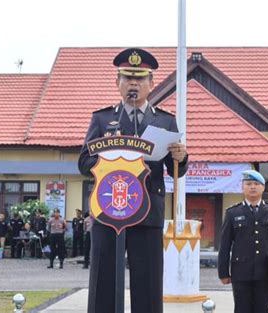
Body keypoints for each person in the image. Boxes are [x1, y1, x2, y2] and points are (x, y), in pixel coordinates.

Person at [78, 48, 188, 313]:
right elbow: (84, 163)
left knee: (148, 281)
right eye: (127, 78)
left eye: (140, 79)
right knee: (103, 279)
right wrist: (110, 158)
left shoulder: (165, 120)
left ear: (151, 84)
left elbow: (177, 170)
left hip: (147, 211)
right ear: (117, 83)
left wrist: (180, 157)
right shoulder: (103, 119)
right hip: (108, 211)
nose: (133, 84)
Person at [218, 170, 268, 313]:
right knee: (241, 309)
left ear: (263, 187)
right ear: (242, 187)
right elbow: (225, 246)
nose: (252, 187)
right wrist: (223, 273)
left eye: (256, 184)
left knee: (262, 309)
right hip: (241, 272)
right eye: (248, 184)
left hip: (266, 271)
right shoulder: (233, 213)